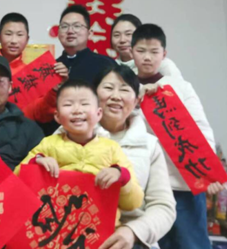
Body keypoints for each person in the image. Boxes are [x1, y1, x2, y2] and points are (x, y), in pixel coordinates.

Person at [131, 24, 225, 249]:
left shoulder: (180, 86)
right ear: (131, 52)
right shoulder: (127, 90)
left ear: (164, 54)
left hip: (185, 183)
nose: (147, 57)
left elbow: (202, 128)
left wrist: (209, 171)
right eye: (141, 51)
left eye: (154, 51)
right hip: (147, 186)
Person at [16, 79, 144, 229]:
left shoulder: (112, 149)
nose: (77, 110)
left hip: (100, 230)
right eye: (68, 104)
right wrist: (36, 164)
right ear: (57, 116)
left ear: (98, 113)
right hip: (53, 229)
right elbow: (16, 180)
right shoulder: (48, 145)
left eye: (84, 104)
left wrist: (121, 176)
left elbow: (134, 203)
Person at [92, 65, 176, 249]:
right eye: (108, 88)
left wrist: (133, 232)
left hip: (132, 242)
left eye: (124, 90)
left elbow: (163, 206)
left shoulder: (149, 145)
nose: (116, 96)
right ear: (94, 95)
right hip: (76, 234)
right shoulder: (67, 132)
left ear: (137, 100)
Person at [24, 5, 116, 134]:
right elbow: (37, 111)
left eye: (77, 26)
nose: (70, 31)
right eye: (64, 26)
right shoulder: (48, 68)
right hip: (52, 139)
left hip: (95, 136)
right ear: (58, 33)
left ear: (90, 33)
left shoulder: (106, 65)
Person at [0, 12, 69, 123]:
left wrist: (55, 89)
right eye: (8, 34)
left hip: (20, 129)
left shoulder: (32, 74)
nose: (14, 40)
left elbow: (40, 113)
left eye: (20, 35)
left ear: (27, 39)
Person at [111, 14, 182, 78]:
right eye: (116, 35)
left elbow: (178, 86)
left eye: (128, 34)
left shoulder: (163, 65)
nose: (122, 40)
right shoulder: (110, 66)